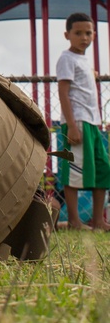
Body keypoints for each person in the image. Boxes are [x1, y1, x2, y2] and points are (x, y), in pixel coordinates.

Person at [56, 12, 110, 230]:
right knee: (74, 171)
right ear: (67, 34)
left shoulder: (84, 60)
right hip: (76, 122)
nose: (84, 37)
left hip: (92, 123)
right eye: (78, 33)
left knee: (103, 168)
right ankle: (74, 221)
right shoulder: (66, 59)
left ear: (94, 35)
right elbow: (63, 91)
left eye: (88, 33)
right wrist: (70, 125)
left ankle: (98, 221)